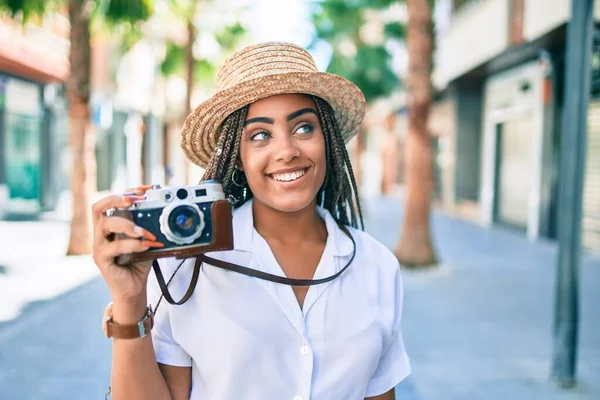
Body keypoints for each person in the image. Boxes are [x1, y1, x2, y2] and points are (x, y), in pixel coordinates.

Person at [92, 42, 410, 400]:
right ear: (237, 158)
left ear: (329, 142)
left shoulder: (377, 266)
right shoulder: (186, 270)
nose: (287, 150)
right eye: (260, 135)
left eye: (304, 128)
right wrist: (129, 300)